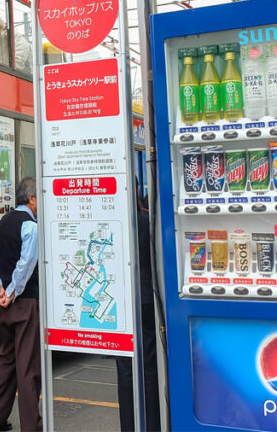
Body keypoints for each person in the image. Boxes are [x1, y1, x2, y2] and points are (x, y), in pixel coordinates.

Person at [0, 177, 42, 432]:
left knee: (6, 359)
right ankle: (32, 426)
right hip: (26, 302)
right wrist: (11, 292)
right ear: (31, 199)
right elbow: (26, 264)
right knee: (27, 366)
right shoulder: (31, 226)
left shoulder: (4, 222)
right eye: (39, 197)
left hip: (4, 306)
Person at [115, 185, 160, 432]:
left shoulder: (114, 222)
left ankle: (128, 427)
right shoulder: (146, 220)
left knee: (125, 372)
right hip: (145, 299)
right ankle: (153, 424)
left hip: (120, 304)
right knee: (150, 368)